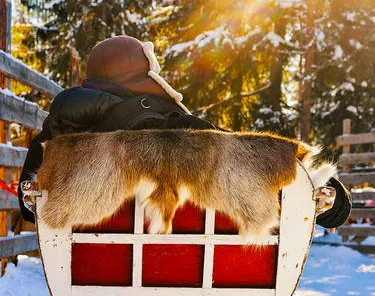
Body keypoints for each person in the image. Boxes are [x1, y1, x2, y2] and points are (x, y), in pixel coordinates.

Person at [18, 35, 351, 228]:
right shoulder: (181, 128)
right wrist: (326, 195)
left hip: (87, 281)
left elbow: (29, 210)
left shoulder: (55, 145)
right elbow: (277, 177)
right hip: (201, 281)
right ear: (144, 78)